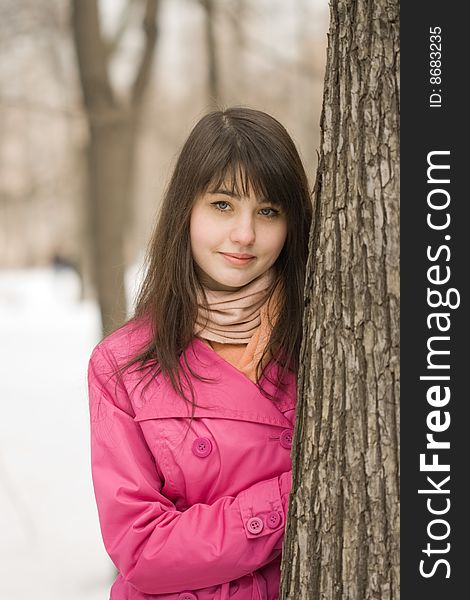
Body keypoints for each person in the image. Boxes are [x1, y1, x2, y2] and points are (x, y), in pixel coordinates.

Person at [87, 106, 312, 600]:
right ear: (186, 209)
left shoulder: (322, 341)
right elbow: (142, 547)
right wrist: (294, 496)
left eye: (268, 211)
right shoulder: (123, 364)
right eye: (223, 205)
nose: (245, 235)